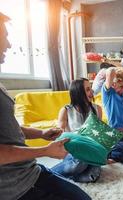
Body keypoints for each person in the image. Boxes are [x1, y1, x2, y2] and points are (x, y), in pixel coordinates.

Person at [0, 12, 91, 200]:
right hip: (14, 190)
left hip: (30, 171)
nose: (8, 44)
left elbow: (9, 130)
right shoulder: (66, 109)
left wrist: (40, 134)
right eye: (4, 36)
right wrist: (45, 150)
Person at [52, 78, 102, 183]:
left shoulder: (97, 108)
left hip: (91, 150)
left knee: (92, 175)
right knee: (80, 163)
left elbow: (99, 135)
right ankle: (48, 174)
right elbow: (59, 137)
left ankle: (71, 176)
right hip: (74, 151)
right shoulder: (66, 110)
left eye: (91, 88)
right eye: (88, 89)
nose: (92, 92)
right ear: (78, 92)